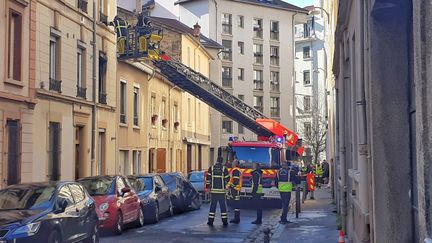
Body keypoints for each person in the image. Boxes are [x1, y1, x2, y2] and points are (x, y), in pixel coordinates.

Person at [206, 157, 230, 226]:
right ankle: (224, 221)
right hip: (221, 192)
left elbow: (208, 179)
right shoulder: (224, 169)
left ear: (216, 161)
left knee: (213, 206)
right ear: (222, 162)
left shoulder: (212, 168)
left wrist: (208, 188)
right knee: (223, 207)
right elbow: (228, 179)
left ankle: (210, 221)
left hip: (214, 191)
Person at [227, 159, 242, 224]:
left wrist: (231, 186)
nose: (232, 163)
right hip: (237, 189)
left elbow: (235, 181)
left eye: (233, 162)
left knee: (236, 204)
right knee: (237, 205)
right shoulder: (238, 170)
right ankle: (237, 218)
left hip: (235, 190)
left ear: (235, 164)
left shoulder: (235, 170)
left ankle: (236, 219)